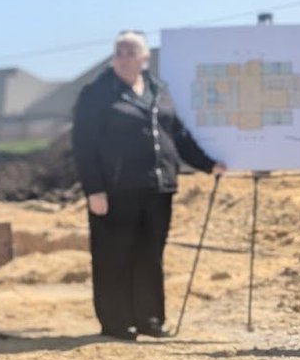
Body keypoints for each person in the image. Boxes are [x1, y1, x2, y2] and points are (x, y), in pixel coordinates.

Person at [72, 31, 226, 341]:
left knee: (150, 255)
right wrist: (94, 189)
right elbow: (83, 144)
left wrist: (208, 164)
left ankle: (150, 318)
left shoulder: (158, 89)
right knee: (115, 256)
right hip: (115, 190)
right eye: (119, 52)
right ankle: (116, 321)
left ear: (144, 58)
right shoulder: (96, 93)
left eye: (131, 52)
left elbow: (177, 134)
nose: (124, 57)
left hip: (158, 188)